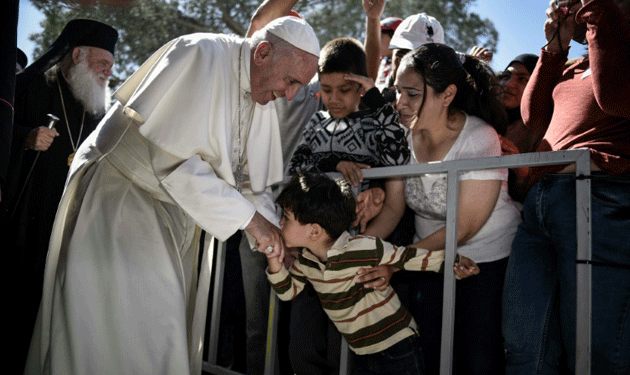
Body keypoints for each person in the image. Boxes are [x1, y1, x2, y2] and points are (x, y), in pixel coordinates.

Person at [24, 16, 320, 375]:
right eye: (290, 81)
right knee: (120, 331)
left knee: (156, 331)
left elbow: (249, 184)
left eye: (298, 86)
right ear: (262, 52)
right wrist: (255, 224)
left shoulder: (262, 96)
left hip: (167, 212)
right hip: (122, 197)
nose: (289, 95)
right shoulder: (200, 55)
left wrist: (277, 238)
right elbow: (173, 162)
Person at [363, 44, 522, 375]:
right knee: (432, 354)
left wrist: (396, 260)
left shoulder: (479, 137)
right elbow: (393, 208)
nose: (399, 102)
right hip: (427, 258)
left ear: (448, 94)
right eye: (397, 91)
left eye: (411, 94)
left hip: (486, 260)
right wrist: (357, 250)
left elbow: (463, 226)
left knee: (479, 359)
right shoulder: (398, 135)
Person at [502, 0, 630, 373]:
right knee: (525, 346)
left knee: (597, 351)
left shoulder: (619, 55)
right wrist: (554, 49)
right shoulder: (573, 67)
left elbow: (615, 99)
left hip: (600, 200)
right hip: (541, 205)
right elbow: (533, 118)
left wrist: (598, 12)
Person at [264, 173, 479, 374]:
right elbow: (287, 292)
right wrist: (273, 259)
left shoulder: (363, 248)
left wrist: (456, 263)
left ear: (314, 231)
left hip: (397, 344)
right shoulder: (306, 262)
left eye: (287, 217)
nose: (280, 223)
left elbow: (409, 258)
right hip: (362, 352)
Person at [0, 19, 118, 371]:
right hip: (23, 223)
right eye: (102, 64)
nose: (108, 73)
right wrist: (25, 137)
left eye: (112, 67)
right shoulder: (28, 86)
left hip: (66, 226)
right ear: (78, 55)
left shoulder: (95, 107)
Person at [288, 37, 409, 187]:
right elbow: (294, 168)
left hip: (363, 209)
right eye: (326, 90)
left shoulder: (375, 123)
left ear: (360, 87)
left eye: (344, 90)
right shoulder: (316, 122)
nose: (334, 99)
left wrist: (376, 100)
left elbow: (398, 160)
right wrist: (333, 165)